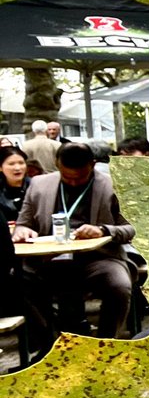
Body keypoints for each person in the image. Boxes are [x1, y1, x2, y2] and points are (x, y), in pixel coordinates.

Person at [11, 142, 138, 341]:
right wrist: (22, 230)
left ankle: (106, 343)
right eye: (66, 177)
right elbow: (23, 223)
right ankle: (51, 339)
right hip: (48, 258)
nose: (72, 182)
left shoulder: (114, 186)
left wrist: (103, 230)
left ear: (92, 165)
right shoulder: (39, 185)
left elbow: (132, 228)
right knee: (18, 280)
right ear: (57, 164)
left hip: (98, 258)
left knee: (119, 285)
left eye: (79, 178)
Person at [0, 147, 31, 223]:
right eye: (11, 164)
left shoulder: (35, 186)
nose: (17, 168)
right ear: (0, 167)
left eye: (21, 163)